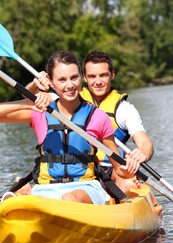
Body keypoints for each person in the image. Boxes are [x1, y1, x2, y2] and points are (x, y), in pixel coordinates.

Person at [0, 50, 140, 204]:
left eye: (74, 77)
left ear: (81, 77)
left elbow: (118, 168)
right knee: (20, 201)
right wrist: (29, 103)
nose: (70, 85)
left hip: (86, 187)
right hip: (46, 189)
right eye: (62, 80)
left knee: (69, 198)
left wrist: (128, 169)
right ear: (51, 82)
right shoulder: (40, 112)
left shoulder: (98, 117)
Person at [27, 50, 153, 190]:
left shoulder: (124, 109)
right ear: (84, 78)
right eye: (92, 76)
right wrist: (35, 85)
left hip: (112, 169)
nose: (98, 82)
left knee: (128, 184)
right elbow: (27, 99)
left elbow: (145, 142)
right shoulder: (68, 96)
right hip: (80, 169)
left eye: (103, 75)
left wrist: (142, 154)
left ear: (112, 75)